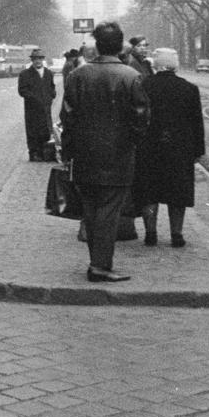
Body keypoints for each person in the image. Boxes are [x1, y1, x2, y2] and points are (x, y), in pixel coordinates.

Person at [60, 21, 149, 283]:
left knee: (91, 211)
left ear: (97, 45)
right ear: (120, 45)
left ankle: (96, 262)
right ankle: (101, 266)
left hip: (85, 156)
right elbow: (141, 120)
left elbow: (67, 117)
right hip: (118, 158)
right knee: (109, 213)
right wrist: (130, 143)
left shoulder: (78, 76)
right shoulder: (132, 77)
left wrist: (68, 152)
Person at [136, 48, 206, 247]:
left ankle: (150, 233)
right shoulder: (189, 89)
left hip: (149, 147)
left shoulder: (143, 86)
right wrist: (197, 151)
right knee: (178, 192)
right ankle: (177, 234)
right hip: (179, 148)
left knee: (149, 191)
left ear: (155, 65)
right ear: (175, 65)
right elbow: (196, 123)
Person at [17, 47, 56, 161]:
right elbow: (22, 90)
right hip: (32, 109)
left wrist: (52, 95)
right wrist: (33, 98)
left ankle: (45, 152)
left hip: (45, 108)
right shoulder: (25, 74)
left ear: (43, 59)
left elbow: (51, 88)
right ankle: (34, 153)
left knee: (46, 130)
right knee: (33, 131)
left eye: (39, 58)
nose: (37, 61)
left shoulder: (48, 73)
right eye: (35, 59)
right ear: (32, 60)